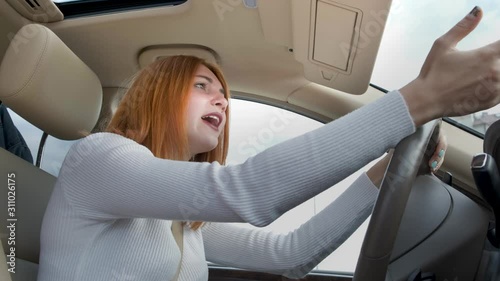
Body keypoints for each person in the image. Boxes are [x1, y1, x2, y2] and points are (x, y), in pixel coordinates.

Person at [38, 6, 499, 281]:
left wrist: (385, 172)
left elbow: (291, 255)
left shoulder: (183, 219)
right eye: (202, 85)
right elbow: (251, 192)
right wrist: (422, 98)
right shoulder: (98, 158)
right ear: (157, 92)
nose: (221, 98)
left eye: (223, 94)